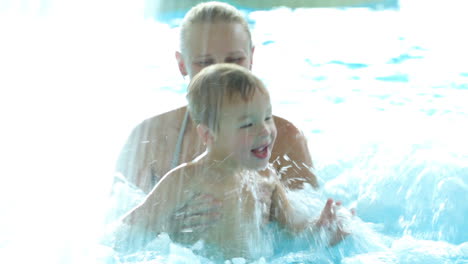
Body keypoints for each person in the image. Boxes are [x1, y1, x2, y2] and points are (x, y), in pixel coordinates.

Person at [115, 1, 317, 233]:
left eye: (234, 60)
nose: (221, 74)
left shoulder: (285, 139)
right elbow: (119, 232)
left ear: (251, 58)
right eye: (205, 62)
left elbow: (305, 238)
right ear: (182, 65)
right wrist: (166, 227)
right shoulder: (148, 140)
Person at [115, 64, 352, 260]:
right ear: (209, 135)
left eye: (267, 117)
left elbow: (292, 229)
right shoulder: (187, 179)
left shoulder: (266, 176)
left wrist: (322, 229)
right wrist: (168, 228)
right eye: (248, 124)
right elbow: (127, 232)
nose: (265, 131)